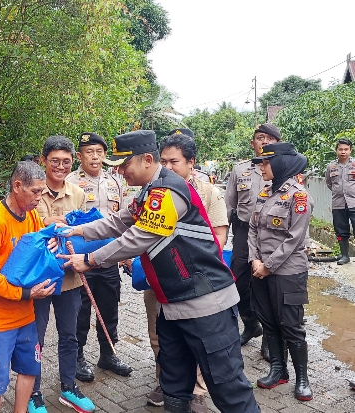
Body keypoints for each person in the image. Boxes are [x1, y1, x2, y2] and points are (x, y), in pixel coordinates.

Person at [60, 130, 260, 413]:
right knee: (174, 386)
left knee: (228, 389)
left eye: (123, 164)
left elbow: (138, 237)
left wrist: (91, 259)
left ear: (146, 160)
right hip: (172, 306)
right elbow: (119, 222)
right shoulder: (148, 193)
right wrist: (77, 229)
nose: (119, 171)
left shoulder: (168, 192)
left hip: (205, 306)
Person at [146, 132, 229, 413]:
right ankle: (167, 381)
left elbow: (219, 234)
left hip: (195, 282)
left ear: (191, 163)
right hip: (159, 280)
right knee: (160, 335)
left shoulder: (207, 192)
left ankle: (198, 390)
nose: (168, 167)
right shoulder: (153, 190)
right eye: (164, 161)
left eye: (175, 162)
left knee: (199, 339)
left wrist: (192, 264)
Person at [0, 161, 56, 413]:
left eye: (42, 192)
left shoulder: (31, 214)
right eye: (35, 192)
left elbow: (39, 246)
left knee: (29, 369)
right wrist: (26, 293)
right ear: (17, 185)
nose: (39, 198)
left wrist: (51, 243)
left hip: (26, 315)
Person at [29, 136, 95, 413]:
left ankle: (68, 387)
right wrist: (46, 224)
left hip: (69, 278)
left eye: (66, 162)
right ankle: (32, 392)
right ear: (42, 161)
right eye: (54, 161)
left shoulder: (78, 194)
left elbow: (84, 230)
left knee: (69, 335)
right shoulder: (31, 189)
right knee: (36, 337)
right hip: (39, 278)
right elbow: (21, 229)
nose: (60, 166)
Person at [248, 142, 313, 401]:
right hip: (260, 269)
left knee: (291, 326)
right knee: (269, 322)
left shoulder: (299, 196)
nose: (261, 167)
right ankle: (278, 370)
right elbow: (253, 229)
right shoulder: (264, 193)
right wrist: (254, 260)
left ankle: (302, 379)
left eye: (265, 163)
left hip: (288, 272)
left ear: (280, 164)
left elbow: (295, 238)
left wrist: (267, 265)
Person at [65, 132, 132, 383]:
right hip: (82, 257)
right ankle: (78, 356)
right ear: (80, 156)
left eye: (99, 152)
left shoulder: (115, 181)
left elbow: (124, 218)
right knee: (81, 309)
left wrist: (125, 254)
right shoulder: (71, 182)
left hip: (110, 257)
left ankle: (108, 353)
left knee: (109, 306)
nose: (95, 157)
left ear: (105, 156)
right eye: (89, 152)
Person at [225, 123, 280, 352]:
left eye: (269, 138)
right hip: (243, 231)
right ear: (253, 144)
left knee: (268, 284)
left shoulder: (285, 169)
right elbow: (229, 204)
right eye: (260, 138)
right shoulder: (240, 170)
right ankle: (250, 324)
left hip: (272, 235)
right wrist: (220, 238)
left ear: (278, 142)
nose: (264, 141)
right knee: (239, 281)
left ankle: (269, 338)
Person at [325, 138, 355, 265]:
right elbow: (329, 183)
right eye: (340, 149)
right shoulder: (331, 166)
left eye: (346, 149)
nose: (343, 152)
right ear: (336, 150)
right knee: (341, 230)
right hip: (338, 203)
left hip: (354, 202)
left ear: (350, 150)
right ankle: (345, 256)